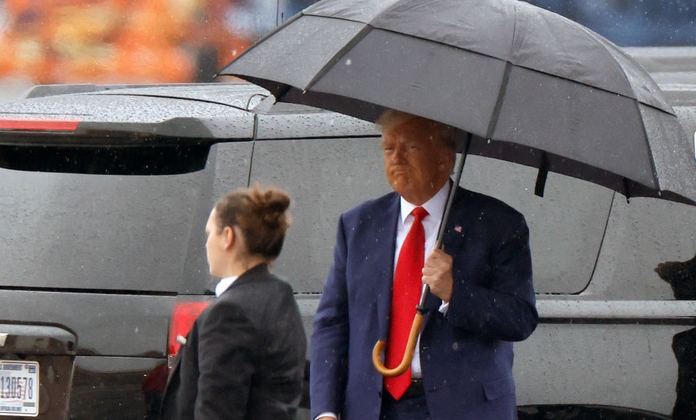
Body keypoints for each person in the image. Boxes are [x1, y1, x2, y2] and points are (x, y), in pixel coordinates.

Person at [310, 110, 538, 420]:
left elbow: (520, 318)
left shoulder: (498, 223)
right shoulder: (358, 225)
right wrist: (325, 410)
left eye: (411, 147)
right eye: (389, 148)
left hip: (464, 409)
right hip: (373, 409)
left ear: (444, 158)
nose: (397, 158)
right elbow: (332, 323)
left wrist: (454, 293)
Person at [160, 186, 307, 420]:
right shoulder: (281, 295)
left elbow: (217, 411)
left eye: (210, 233)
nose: (207, 243)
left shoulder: (229, 313)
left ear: (228, 237)